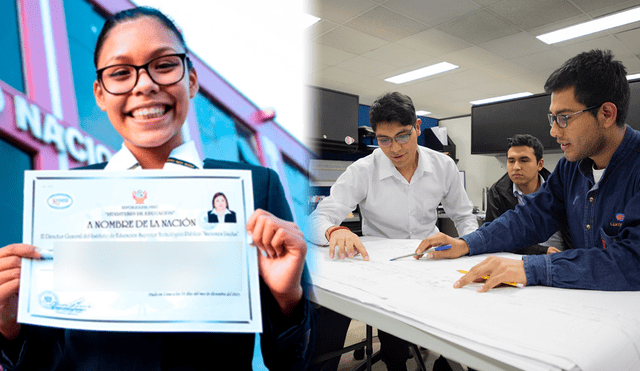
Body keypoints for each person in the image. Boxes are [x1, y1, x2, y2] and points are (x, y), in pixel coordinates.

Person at [0, 7, 314, 370]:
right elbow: (42, 360)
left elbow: (292, 363)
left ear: (191, 80)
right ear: (100, 95)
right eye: (120, 73)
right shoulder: (65, 200)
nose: (145, 85)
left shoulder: (255, 187)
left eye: (163, 65)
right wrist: (9, 326)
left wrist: (287, 298)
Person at [416, 49, 640, 293]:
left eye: (564, 117)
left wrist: (533, 268)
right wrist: (466, 243)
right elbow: (530, 217)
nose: (554, 131)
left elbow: (633, 262)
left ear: (606, 114)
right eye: (552, 118)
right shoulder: (572, 166)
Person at [310, 92, 477, 371]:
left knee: (464, 313)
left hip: (429, 261)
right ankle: (395, 361)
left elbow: (463, 216)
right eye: (384, 140)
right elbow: (319, 217)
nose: (394, 148)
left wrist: (468, 246)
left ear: (418, 128)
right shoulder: (363, 170)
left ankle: (451, 358)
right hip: (382, 269)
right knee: (370, 319)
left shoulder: (443, 166)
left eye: (402, 136)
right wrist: (333, 231)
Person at [485, 134, 569, 255]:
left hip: (564, 259)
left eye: (524, 160)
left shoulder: (560, 188)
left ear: (540, 164)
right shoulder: (498, 192)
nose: (516, 167)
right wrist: (541, 251)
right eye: (511, 161)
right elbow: (496, 239)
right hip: (520, 261)